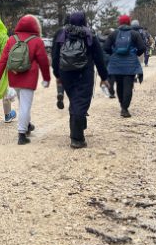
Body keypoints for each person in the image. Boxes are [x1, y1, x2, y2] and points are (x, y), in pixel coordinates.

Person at [51, 12, 109, 148]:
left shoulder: (61, 33)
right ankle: (77, 138)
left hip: (65, 73)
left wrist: (57, 74)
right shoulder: (90, 34)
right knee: (80, 102)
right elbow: (99, 58)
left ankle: (78, 128)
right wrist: (104, 77)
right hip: (85, 74)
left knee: (75, 101)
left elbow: (55, 56)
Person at [0, 14, 51, 145]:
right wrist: (46, 78)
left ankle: (27, 125)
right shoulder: (37, 41)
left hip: (14, 77)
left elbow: (3, 59)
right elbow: (43, 61)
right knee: (25, 105)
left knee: (23, 103)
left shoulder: (11, 39)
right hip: (29, 78)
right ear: (35, 26)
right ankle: (21, 134)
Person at [103, 15, 147, 117]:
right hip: (130, 64)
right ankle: (125, 108)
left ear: (119, 23)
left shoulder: (114, 34)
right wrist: (135, 54)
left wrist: (114, 53)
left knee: (119, 85)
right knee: (128, 86)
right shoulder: (135, 34)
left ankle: (122, 105)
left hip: (116, 64)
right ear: (129, 22)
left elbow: (106, 47)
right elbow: (142, 47)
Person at [97, 29, 116, 97]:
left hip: (102, 60)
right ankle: (111, 91)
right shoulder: (112, 40)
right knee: (112, 75)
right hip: (111, 58)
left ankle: (104, 86)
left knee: (104, 74)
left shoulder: (99, 40)